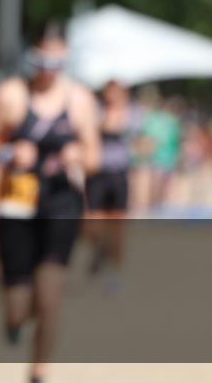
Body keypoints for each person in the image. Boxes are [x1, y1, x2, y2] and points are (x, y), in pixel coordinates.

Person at [0, 21, 100, 383]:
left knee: (49, 297)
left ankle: (38, 370)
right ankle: (14, 320)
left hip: (62, 202)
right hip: (17, 202)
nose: (48, 71)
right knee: (18, 307)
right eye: (42, 62)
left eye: (57, 64)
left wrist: (78, 156)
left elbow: (94, 156)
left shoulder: (80, 101)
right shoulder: (11, 95)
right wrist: (10, 152)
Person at [84, 80, 138, 288]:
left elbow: (132, 130)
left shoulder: (132, 112)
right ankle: (100, 250)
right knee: (92, 224)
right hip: (97, 173)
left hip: (119, 173)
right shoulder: (96, 110)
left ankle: (115, 269)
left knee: (117, 227)